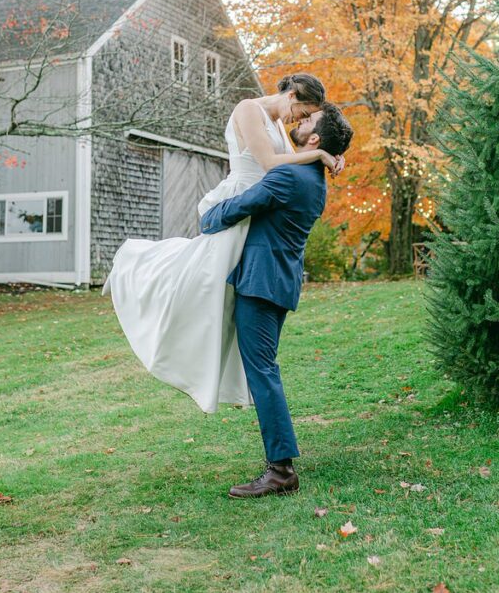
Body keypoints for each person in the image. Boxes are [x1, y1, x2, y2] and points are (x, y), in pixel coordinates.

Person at [103, 74, 344, 413]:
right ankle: (135, 271)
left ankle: (224, 373)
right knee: (198, 283)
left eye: (308, 118)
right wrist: (318, 152)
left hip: (259, 210)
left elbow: (294, 163)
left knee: (225, 301)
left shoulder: (279, 126)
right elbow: (269, 164)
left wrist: (328, 154)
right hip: (240, 201)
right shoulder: (249, 110)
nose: (301, 120)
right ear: (292, 95)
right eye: (304, 112)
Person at [200, 103, 354, 498]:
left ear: (315, 139)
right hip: (277, 282)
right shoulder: (311, 176)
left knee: (263, 371)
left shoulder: (288, 176)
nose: (299, 122)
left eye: (308, 122)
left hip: (262, 284)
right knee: (264, 368)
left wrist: (208, 216)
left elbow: (237, 209)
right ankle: (280, 463)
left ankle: (281, 469)